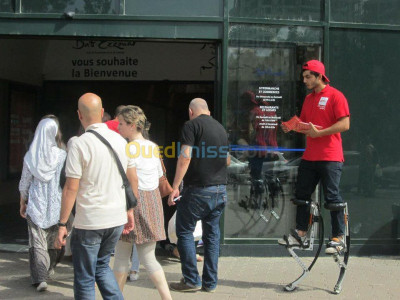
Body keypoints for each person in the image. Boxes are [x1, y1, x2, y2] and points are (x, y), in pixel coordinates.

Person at [55, 93, 135, 299]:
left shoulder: (79, 144)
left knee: (84, 277)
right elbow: (132, 178)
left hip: (90, 221)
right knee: (101, 266)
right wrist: (130, 210)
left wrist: (62, 224)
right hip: (116, 218)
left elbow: (71, 188)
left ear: (79, 115)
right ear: (102, 113)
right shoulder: (121, 140)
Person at [278, 60, 350, 254]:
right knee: (301, 194)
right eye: (304, 77)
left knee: (332, 197)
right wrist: (291, 126)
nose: (305, 80)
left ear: (320, 76)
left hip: (330, 156)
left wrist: (321, 132)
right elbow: (304, 123)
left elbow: (345, 124)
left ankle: (338, 238)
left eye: (308, 76)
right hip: (310, 156)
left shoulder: (336, 96)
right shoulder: (309, 99)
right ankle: (300, 233)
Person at [168, 98, 229, 293]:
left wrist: (175, 186)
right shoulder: (221, 128)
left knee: (184, 232)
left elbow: (185, 156)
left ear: (190, 111)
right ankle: (210, 283)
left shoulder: (191, 125)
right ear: (208, 111)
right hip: (220, 189)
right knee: (212, 236)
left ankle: (191, 280)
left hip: (198, 190)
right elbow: (227, 160)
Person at [112, 105, 172, 300]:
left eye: (121, 123)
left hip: (130, 202)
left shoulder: (126, 148)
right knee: (149, 258)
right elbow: (158, 176)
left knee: (121, 257)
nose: (118, 127)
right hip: (152, 202)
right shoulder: (153, 147)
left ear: (131, 125)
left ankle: (116, 297)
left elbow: (128, 180)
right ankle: (166, 298)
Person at [18, 115, 67, 292]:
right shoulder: (62, 155)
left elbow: (25, 182)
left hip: (36, 204)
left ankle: (40, 278)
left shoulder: (30, 157)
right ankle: (49, 268)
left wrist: (23, 201)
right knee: (54, 240)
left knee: (36, 241)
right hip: (57, 204)